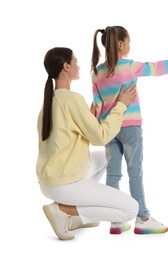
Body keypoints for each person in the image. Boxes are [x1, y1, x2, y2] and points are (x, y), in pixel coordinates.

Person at [91, 25, 168, 235]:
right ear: (121, 44)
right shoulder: (129, 66)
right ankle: (142, 217)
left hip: (109, 129)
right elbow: (157, 67)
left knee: (113, 174)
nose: (130, 45)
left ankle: (115, 221)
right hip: (130, 127)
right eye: (129, 41)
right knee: (135, 173)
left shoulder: (97, 72)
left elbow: (97, 106)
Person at [36, 47, 139, 240]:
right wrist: (121, 105)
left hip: (49, 181)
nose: (78, 65)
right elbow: (101, 137)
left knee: (102, 158)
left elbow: (65, 137)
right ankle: (66, 210)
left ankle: (76, 216)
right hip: (64, 184)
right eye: (75, 62)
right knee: (131, 209)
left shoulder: (49, 102)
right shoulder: (72, 100)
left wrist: (89, 119)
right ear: (66, 67)